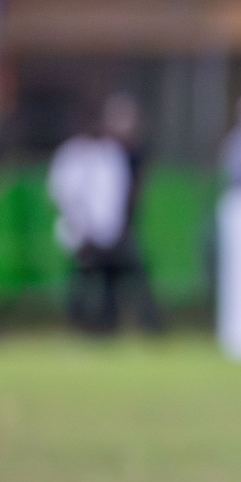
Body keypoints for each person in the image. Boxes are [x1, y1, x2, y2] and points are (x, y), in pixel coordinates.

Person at [48, 94, 162, 334]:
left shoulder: (110, 154)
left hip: (112, 231)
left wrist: (113, 228)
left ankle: (126, 323)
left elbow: (119, 194)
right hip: (79, 231)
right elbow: (61, 194)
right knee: (83, 278)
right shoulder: (71, 154)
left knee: (121, 275)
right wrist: (81, 227)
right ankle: (79, 323)